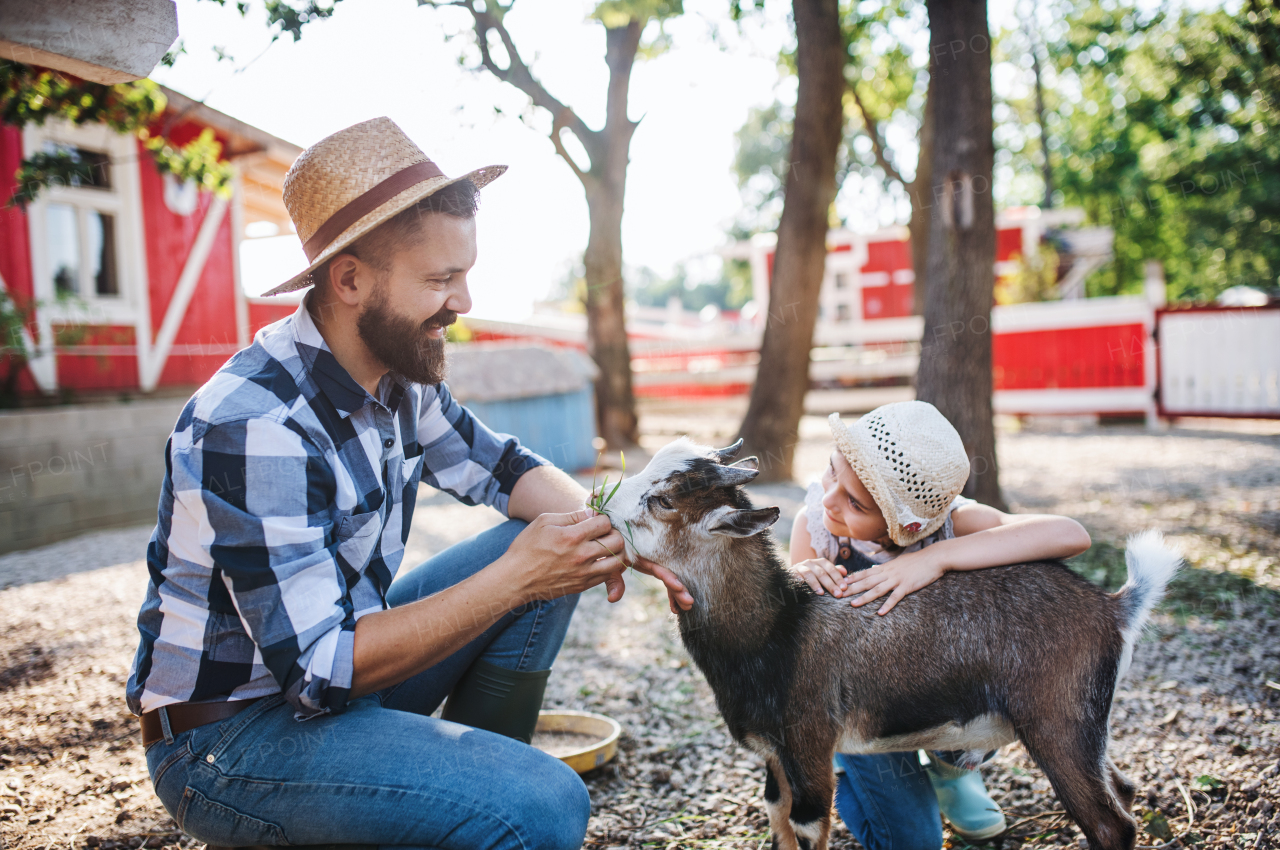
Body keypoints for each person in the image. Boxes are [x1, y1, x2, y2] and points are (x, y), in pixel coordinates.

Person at [125, 117, 693, 850]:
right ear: (351, 279)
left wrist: (632, 539)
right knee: (548, 807)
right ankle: (487, 805)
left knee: (556, 538)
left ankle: (462, 802)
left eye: (465, 273)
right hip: (231, 739)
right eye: (441, 279)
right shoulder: (253, 423)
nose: (462, 301)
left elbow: (505, 469)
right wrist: (518, 579)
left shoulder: (399, 374)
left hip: (339, 687)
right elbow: (321, 671)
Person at [787, 401, 1091, 849]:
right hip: (865, 710)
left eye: (855, 502)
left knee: (977, 689)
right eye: (832, 471)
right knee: (913, 842)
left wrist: (936, 558)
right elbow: (795, 643)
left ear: (901, 526)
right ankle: (841, 766)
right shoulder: (819, 526)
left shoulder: (952, 527)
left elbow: (1071, 534)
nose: (828, 499)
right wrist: (798, 578)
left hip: (938, 699)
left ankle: (954, 774)